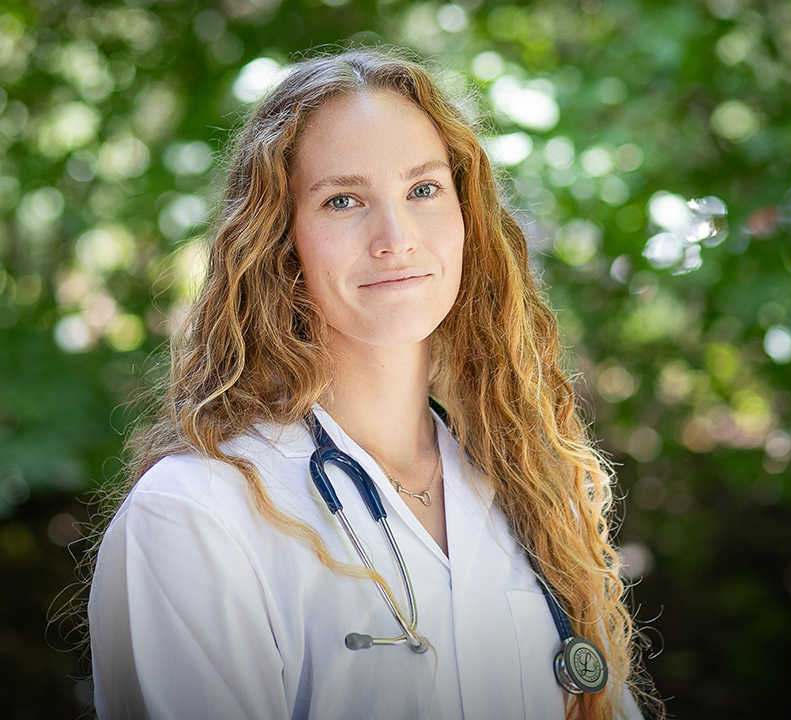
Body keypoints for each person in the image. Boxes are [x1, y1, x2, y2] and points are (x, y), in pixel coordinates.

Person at [87, 48, 660, 720]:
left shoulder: (527, 488)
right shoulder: (195, 513)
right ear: (280, 240)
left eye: (423, 190)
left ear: (466, 215)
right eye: (342, 200)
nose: (396, 238)